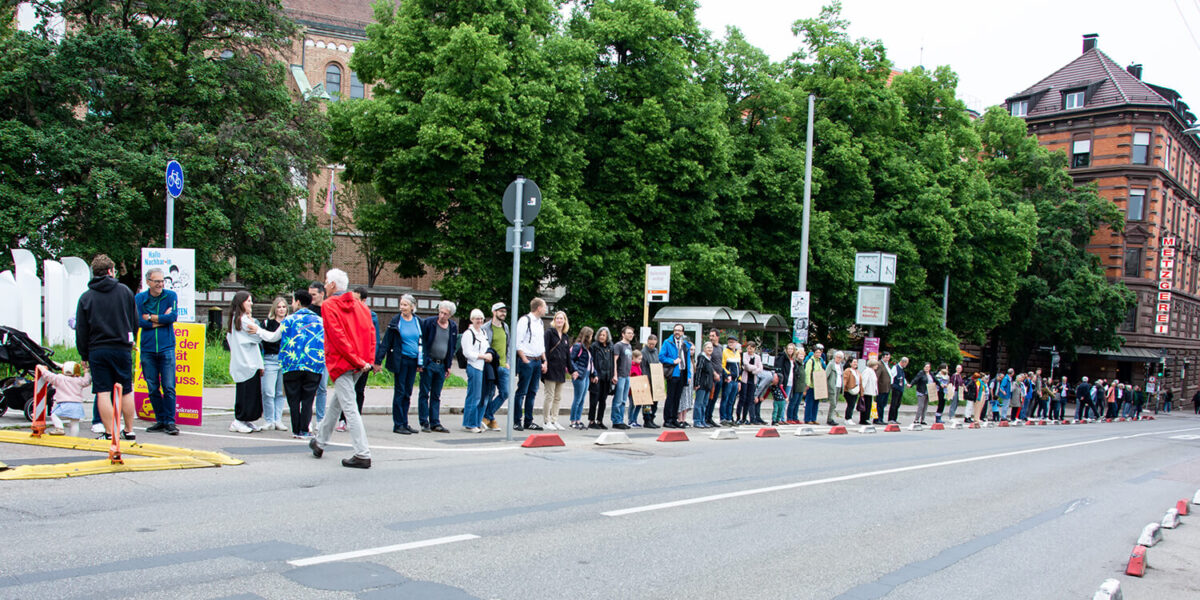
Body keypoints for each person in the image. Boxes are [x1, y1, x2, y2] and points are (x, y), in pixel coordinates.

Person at [308, 269, 375, 469]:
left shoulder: (329, 305)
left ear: (332, 285)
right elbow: (371, 334)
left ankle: (362, 453)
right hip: (358, 363)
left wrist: (355, 359)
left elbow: (337, 337)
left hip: (342, 362)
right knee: (338, 403)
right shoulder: (362, 307)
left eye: (326, 281)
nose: (325, 284)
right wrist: (366, 361)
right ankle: (319, 442)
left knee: (349, 407)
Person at [76, 254, 138, 441]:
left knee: (103, 391)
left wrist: (84, 354)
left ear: (93, 273)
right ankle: (129, 430)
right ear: (111, 271)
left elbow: (81, 329)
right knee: (126, 388)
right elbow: (134, 320)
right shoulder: (125, 291)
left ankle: (110, 432)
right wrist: (130, 338)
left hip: (98, 349)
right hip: (121, 347)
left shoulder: (86, 297)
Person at [135, 267, 179, 435]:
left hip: (166, 346)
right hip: (147, 348)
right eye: (157, 281)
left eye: (162, 281)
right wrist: (161, 319)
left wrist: (151, 317)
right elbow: (140, 321)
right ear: (148, 282)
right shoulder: (139, 298)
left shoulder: (171, 296)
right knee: (152, 386)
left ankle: (170, 421)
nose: (161, 284)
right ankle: (160, 419)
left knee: (169, 386)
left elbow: (172, 317)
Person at [227, 291, 274, 433]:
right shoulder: (243, 321)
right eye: (248, 301)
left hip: (247, 362)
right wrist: (257, 328)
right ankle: (239, 420)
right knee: (246, 393)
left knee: (250, 393)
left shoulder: (238, 320)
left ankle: (245, 420)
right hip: (246, 362)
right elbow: (258, 337)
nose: (251, 303)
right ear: (241, 303)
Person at [376, 294, 423, 435]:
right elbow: (386, 342)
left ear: (412, 306)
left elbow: (422, 342)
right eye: (401, 304)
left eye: (405, 305)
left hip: (414, 361)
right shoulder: (396, 322)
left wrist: (422, 362)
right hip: (401, 360)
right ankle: (398, 424)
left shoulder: (418, 321)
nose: (402, 307)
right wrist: (378, 361)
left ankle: (405, 422)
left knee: (408, 393)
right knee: (400, 391)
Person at [279, 289, 323, 438]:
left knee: (293, 398)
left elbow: (275, 337)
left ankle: (295, 429)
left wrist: (258, 331)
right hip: (313, 364)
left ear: (297, 302)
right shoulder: (320, 321)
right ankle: (305, 429)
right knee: (308, 398)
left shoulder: (289, 320)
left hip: (292, 364)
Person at [339, 287, 378, 432]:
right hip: (349, 358)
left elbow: (375, 339)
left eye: (356, 299)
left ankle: (355, 419)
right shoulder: (347, 314)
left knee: (359, 390)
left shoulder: (370, 315)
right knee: (346, 391)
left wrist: (372, 361)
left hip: (364, 360)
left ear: (363, 300)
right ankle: (342, 419)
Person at [417, 300, 457, 433]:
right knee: (424, 393)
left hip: (442, 364)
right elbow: (422, 342)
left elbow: (451, 346)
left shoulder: (452, 327)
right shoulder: (429, 323)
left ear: (450, 315)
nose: (442, 316)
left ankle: (435, 422)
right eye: (440, 312)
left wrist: (448, 365)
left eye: (445, 314)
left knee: (436, 394)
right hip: (429, 363)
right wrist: (423, 362)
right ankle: (424, 421)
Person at [513, 298, 548, 431]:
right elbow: (518, 342)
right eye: (544, 307)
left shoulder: (539, 323)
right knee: (522, 391)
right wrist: (524, 359)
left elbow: (541, 344)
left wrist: (544, 360)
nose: (545, 310)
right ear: (538, 308)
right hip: (527, 359)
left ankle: (529, 420)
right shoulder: (525, 320)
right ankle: (517, 420)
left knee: (533, 391)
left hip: (537, 359)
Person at [37, 362, 89, 436]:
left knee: (54, 415)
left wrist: (41, 367)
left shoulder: (60, 378)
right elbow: (87, 381)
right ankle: (74, 439)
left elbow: (48, 375)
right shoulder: (79, 380)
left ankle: (59, 428)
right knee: (74, 423)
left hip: (65, 403)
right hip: (77, 405)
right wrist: (86, 372)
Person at [460, 309, 491, 433]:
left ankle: (475, 422)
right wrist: (483, 356)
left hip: (483, 366)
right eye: (477, 318)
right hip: (474, 366)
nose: (479, 321)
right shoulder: (468, 333)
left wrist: (488, 355)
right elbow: (467, 352)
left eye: (481, 319)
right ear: (472, 319)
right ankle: (471, 423)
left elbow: (486, 347)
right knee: (474, 396)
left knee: (481, 396)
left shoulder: (483, 332)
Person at [260, 297, 288, 432]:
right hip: (270, 359)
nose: (281, 309)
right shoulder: (267, 323)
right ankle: (269, 419)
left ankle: (278, 419)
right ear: (274, 309)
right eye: (279, 307)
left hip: (284, 360)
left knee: (280, 392)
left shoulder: (289, 323)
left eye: (283, 307)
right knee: (268, 391)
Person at [481, 303, 510, 431]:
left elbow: (508, 346)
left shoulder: (505, 327)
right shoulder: (486, 327)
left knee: (505, 393)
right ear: (494, 312)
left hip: (504, 366)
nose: (503, 313)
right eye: (500, 311)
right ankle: (490, 420)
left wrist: (508, 361)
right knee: (490, 393)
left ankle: (487, 416)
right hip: (491, 366)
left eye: (505, 311)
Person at [541, 311, 571, 431]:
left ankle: (554, 419)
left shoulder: (565, 336)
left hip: (560, 369)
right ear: (554, 320)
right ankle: (546, 420)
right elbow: (545, 349)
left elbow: (567, 354)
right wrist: (544, 363)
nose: (559, 320)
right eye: (557, 318)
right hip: (550, 368)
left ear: (565, 321)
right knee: (549, 395)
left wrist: (572, 369)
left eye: (562, 319)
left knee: (558, 397)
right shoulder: (549, 333)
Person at [659, 324, 694, 429]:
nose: (677, 332)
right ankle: (668, 419)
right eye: (675, 330)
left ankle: (675, 419)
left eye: (679, 330)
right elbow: (661, 356)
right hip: (673, 373)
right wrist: (672, 361)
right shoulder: (668, 342)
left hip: (682, 372)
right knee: (671, 397)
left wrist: (688, 375)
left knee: (677, 398)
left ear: (683, 332)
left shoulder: (685, 344)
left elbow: (687, 361)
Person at [307, 281, 329, 429]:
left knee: (322, 388)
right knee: (309, 388)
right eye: (309, 295)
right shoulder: (308, 311)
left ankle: (320, 420)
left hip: (325, 354)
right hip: (310, 354)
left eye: (313, 295)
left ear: (322, 294)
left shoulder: (328, 310)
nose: (311, 298)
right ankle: (307, 419)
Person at [588, 327, 614, 429]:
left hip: (606, 377)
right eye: (600, 335)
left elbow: (611, 362)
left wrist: (612, 375)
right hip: (597, 376)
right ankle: (591, 421)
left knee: (603, 400)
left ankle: (600, 420)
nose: (601, 337)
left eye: (603, 335)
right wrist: (593, 374)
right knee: (594, 399)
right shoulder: (594, 346)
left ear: (607, 336)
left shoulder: (610, 347)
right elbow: (591, 361)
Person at [610, 326, 635, 430]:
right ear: (623, 334)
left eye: (632, 333)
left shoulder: (629, 346)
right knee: (618, 399)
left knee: (624, 400)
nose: (631, 335)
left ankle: (621, 419)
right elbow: (614, 361)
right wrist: (615, 375)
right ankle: (616, 420)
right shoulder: (618, 345)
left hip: (627, 375)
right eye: (628, 333)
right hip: (620, 375)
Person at [569, 327, 594, 430]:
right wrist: (575, 371)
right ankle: (573, 420)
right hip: (580, 374)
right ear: (587, 335)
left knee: (582, 398)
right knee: (577, 398)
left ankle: (578, 420)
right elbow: (571, 359)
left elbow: (590, 363)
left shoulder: (587, 348)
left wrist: (594, 373)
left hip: (587, 374)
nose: (592, 337)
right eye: (591, 335)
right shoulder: (578, 346)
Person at [738, 341, 762, 426]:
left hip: (753, 380)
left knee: (750, 399)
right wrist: (754, 368)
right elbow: (746, 365)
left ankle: (749, 418)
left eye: (751, 348)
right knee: (743, 398)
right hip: (745, 380)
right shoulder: (744, 355)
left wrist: (753, 369)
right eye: (748, 348)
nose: (749, 350)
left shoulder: (757, 357)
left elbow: (760, 368)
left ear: (754, 348)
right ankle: (740, 417)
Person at [639, 334, 661, 428]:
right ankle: (647, 419)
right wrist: (645, 378)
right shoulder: (643, 352)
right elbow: (643, 366)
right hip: (647, 377)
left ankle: (652, 418)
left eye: (653, 344)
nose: (652, 345)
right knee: (647, 401)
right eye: (650, 343)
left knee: (655, 400)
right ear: (647, 342)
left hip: (655, 378)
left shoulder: (656, 351)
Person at [720, 336, 742, 426]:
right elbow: (722, 365)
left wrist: (739, 380)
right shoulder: (725, 352)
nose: (731, 344)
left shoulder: (737, 353)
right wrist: (727, 375)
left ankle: (729, 417)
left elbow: (739, 367)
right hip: (729, 379)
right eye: (729, 342)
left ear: (736, 343)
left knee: (732, 400)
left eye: (733, 342)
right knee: (725, 398)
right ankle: (723, 418)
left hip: (736, 380)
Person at [777, 343, 799, 424]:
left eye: (791, 349)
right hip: (784, 381)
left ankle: (783, 418)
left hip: (790, 381)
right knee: (781, 400)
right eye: (789, 348)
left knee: (786, 400)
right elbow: (780, 369)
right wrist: (781, 381)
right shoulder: (783, 357)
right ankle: (779, 418)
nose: (790, 350)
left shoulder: (792, 359)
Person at [804, 346, 826, 425]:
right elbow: (807, 373)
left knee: (816, 403)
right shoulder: (811, 361)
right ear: (813, 353)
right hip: (812, 385)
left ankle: (813, 418)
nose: (818, 354)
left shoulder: (820, 361)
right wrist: (808, 384)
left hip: (818, 385)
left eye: (820, 352)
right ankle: (808, 418)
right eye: (817, 352)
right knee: (810, 402)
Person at [824, 350, 845, 426]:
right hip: (832, 386)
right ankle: (830, 419)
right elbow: (826, 375)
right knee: (833, 403)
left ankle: (831, 418)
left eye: (840, 357)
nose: (838, 359)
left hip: (838, 385)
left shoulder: (841, 365)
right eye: (837, 357)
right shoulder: (831, 364)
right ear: (834, 357)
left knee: (835, 403)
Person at [872, 352, 891, 425]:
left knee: (883, 404)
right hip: (881, 387)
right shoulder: (880, 364)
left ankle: (880, 418)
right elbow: (877, 376)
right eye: (886, 357)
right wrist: (876, 387)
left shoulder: (886, 365)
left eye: (888, 357)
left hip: (886, 387)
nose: (887, 359)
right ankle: (878, 419)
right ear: (882, 357)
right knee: (879, 404)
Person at [888, 356, 908, 424]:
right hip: (896, 387)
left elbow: (903, 378)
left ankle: (894, 418)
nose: (906, 365)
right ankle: (891, 418)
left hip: (900, 388)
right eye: (906, 363)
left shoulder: (901, 369)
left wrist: (906, 384)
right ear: (903, 362)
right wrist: (892, 385)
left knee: (898, 404)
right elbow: (891, 376)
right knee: (894, 403)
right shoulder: (895, 367)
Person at [842, 357, 862, 424]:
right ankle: (848, 418)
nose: (855, 364)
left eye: (856, 362)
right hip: (848, 390)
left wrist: (861, 392)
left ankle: (849, 417)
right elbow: (845, 380)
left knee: (852, 404)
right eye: (854, 362)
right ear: (850, 363)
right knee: (850, 404)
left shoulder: (857, 371)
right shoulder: (848, 370)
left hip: (855, 390)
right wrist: (844, 389)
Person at [859, 359, 879, 425]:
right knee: (866, 406)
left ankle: (866, 418)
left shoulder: (872, 371)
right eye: (876, 365)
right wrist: (862, 390)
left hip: (871, 391)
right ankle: (863, 419)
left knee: (869, 406)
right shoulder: (867, 371)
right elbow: (864, 381)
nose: (877, 366)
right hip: (866, 391)